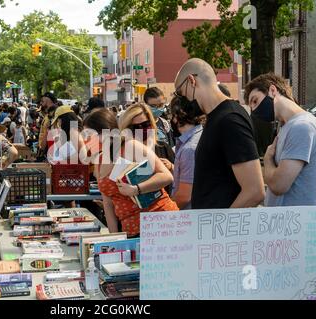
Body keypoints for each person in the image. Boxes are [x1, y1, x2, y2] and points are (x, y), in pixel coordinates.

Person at [174, 58, 265, 209]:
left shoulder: (230, 120)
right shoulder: (217, 117)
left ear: (192, 81)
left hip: (219, 228)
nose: (183, 101)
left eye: (181, 93)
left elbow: (255, 191)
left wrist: (220, 227)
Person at [83, 108, 178, 238]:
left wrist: (136, 189)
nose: (87, 140)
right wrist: (114, 238)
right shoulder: (99, 160)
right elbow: (108, 203)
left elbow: (166, 176)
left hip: (160, 222)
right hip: (132, 230)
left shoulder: (130, 146)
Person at [245, 73, 316, 206]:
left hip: (299, 223)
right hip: (288, 222)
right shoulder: (286, 127)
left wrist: (267, 160)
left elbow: (278, 185)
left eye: (255, 101)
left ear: (272, 90)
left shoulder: (302, 126)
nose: (254, 110)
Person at [168, 96, 203, 209]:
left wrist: (167, 212)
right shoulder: (201, 135)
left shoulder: (189, 149)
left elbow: (185, 196)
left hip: (188, 214)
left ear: (176, 116)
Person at [37, 92, 58, 161]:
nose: (41, 102)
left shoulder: (55, 113)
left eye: (42, 100)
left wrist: (43, 150)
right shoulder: (47, 114)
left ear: (48, 99)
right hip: (45, 149)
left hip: (50, 150)